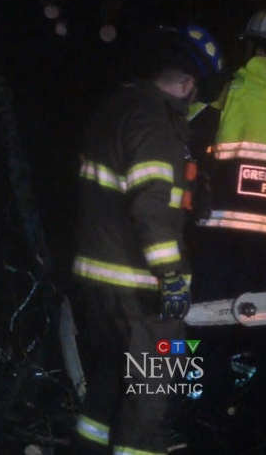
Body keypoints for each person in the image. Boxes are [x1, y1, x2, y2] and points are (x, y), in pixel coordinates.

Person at [69, 24, 223, 455]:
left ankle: (88, 448)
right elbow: (152, 210)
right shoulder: (155, 123)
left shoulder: (116, 105)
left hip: (99, 278)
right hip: (140, 284)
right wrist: (173, 277)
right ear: (190, 84)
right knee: (156, 380)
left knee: (107, 376)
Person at [187, 4, 266, 446]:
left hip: (223, 244)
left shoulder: (230, 90)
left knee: (205, 332)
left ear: (252, 44)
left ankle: (203, 418)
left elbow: (181, 132)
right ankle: (263, 426)